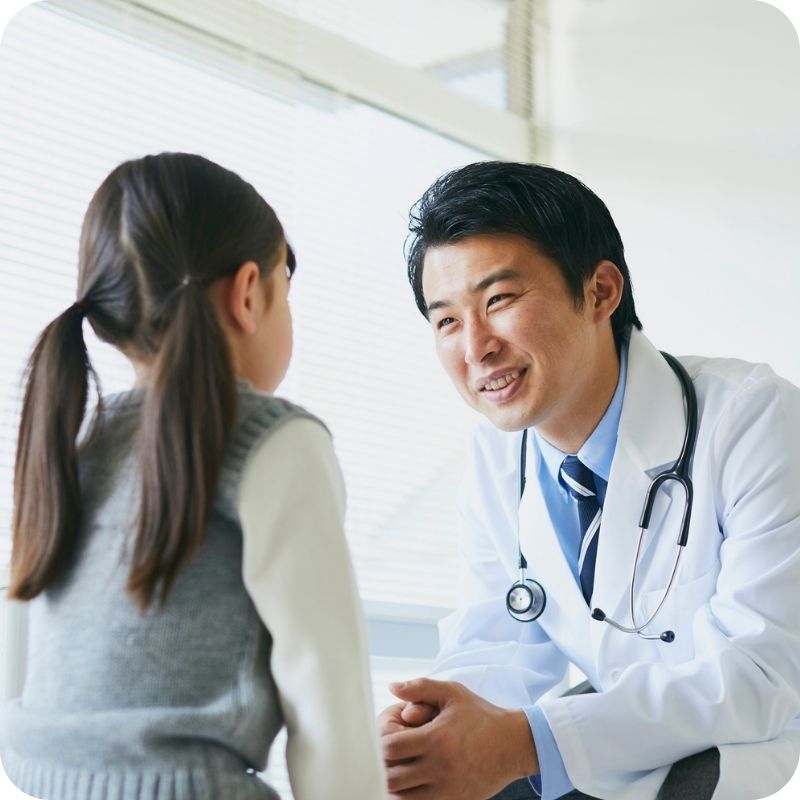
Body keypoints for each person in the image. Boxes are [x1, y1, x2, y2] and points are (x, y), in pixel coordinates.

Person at [379, 161, 800, 800]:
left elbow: (759, 673)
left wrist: (522, 741)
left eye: (498, 300)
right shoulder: (499, 457)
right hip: (607, 731)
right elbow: (499, 645)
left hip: (737, 744)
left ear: (601, 291)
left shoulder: (753, 418)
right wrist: (429, 727)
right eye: (446, 321)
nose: (476, 348)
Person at [0, 153, 385, 800]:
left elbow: (18, 673)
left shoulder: (69, 445)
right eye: (286, 290)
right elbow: (329, 707)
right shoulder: (276, 443)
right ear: (248, 294)